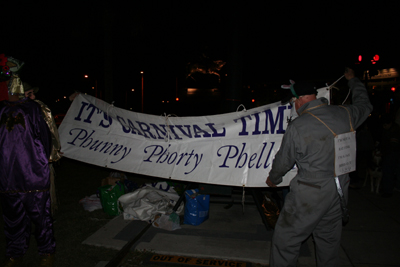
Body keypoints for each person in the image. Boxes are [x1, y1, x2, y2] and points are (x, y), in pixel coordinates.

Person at [266, 67, 373, 266]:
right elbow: (365, 105)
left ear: (300, 99)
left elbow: (284, 160)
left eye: (293, 101)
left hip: (310, 192)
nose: (294, 105)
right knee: (328, 242)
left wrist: (273, 178)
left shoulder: (298, 126)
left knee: (286, 240)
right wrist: (353, 81)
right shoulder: (346, 114)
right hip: (339, 189)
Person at [0, 55, 55, 266]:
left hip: (32, 174)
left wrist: (42, 165)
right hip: (8, 177)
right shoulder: (1, 110)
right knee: (13, 219)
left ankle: (47, 252)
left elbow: (44, 138)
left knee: (41, 218)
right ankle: (15, 252)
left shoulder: (33, 109)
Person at [23, 82, 62, 215]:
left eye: (33, 93)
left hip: (42, 156)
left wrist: (52, 151)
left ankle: (47, 212)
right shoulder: (16, 113)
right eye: (29, 94)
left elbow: (49, 130)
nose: (33, 97)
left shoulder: (40, 107)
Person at [379, 114, 400, 197]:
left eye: (385, 125)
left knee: (389, 172)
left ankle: (388, 190)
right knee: (387, 172)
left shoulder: (395, 131)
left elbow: (393, 145)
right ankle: (386, 188)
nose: (384, 127)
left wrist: (384, 152)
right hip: (388, 154)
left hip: (392, 154)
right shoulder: (388, 130)